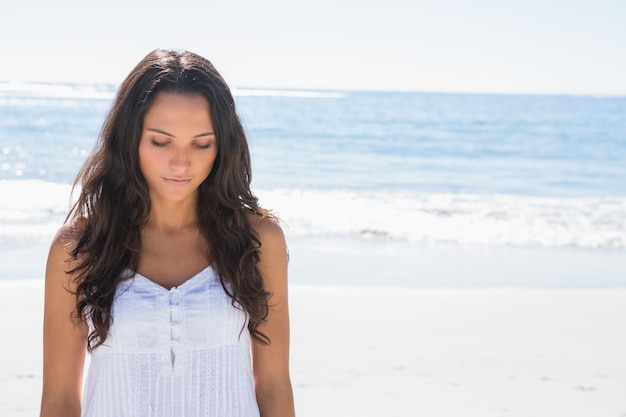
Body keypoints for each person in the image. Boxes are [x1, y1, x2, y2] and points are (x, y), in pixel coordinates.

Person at [39, 49, 295, 417]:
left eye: (201, 143)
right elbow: (60, 400)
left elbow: (273, 386)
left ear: (222, 146)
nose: (180, 162)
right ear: (131, 139)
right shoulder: (78, 248)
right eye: (161, 141)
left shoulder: (257, 241)